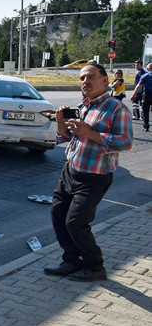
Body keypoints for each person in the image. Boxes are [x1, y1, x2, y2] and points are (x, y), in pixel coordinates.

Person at [46, 62, 133, 282]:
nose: (85, 81)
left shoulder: (116, 108)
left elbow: (125, 142)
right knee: (58, 215)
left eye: (90, 76)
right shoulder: (83, 106)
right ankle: (71, 261)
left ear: (105, 80)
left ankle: (95, 267)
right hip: (70, 171)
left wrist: (90, 133)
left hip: (95, 177)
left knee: (75, 223)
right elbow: (66, 138)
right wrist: (61, 124)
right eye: (82, 78)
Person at [130, 63, 152, 132]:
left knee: (145, 111)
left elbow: (138, 86)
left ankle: (146, 126)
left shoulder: (145, 75)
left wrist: (133, 95)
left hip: (147, 94)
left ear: (148, 69)